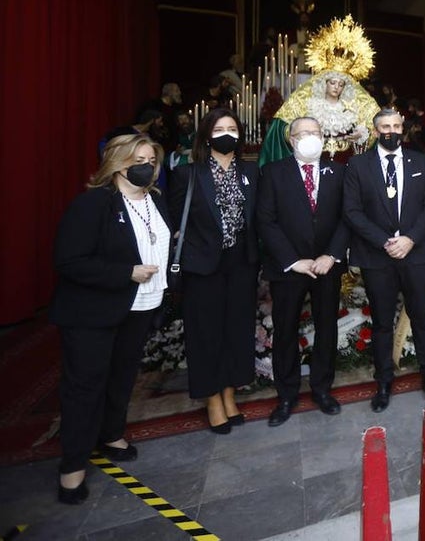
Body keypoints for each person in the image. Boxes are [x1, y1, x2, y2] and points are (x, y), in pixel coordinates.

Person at [51, 134, 170, 504]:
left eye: (152, 159)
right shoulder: (94, 204)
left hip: (141, 306)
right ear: (118, 162)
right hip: (93, 311)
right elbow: (70, 262)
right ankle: (72, 468)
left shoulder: (157, 202)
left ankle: (112, 433)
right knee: (85, 385)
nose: (146, 166)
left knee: (122, 375)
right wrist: (126, 273)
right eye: (139, 158)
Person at [344, 108, 425, 410]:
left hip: (415, 254)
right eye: (384, 126)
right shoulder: (358, 165)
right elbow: (352, 211)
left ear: (403, 129)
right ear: (375, 132)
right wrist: (384, 242)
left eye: (396, 126)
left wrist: (409, 239)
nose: (391, 131)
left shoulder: (420, 161)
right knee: (383, 323)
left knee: (423, 319)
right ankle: (384, 382)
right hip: (378, 257)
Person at [169, 108, 260, 434]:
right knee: (206, 333)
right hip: (203, 266)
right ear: (207, 135)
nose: (226, 133)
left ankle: (230, 392)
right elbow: (174, 223)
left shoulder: (250, 171)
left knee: (236, 330)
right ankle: (211, 399)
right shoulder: (188, 174)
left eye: (232, 128)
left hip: (241, 263)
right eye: (220, 128)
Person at [256, 117, 349, 426]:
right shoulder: (272, 173)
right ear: (291, 140)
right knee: (285, 330)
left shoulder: (338, 171)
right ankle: (286, 394)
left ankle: (322, 388)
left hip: (326, 266)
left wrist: (332, 255)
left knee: (327, 327)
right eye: (304, 133)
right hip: (289, 268)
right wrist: (292, 260)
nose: (311, 137)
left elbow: (347, 218)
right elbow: (265, 220)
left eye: (316, 132)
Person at [260, 70, 376, 165]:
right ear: (325, 83)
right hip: (315, 159)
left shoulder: (349, 108)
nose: (336, 87)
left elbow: (367, 131)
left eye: (341, 85)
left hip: (344, 161)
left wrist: (360, 134)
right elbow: (286, 128)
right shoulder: (311, 106)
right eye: (332, 83)